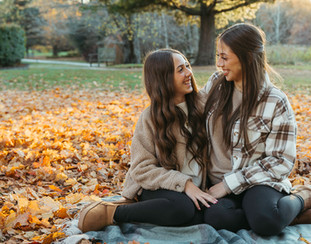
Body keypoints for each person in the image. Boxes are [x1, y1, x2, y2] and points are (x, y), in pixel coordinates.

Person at [201, 23, 311, 236]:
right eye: (218, 56)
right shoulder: (216, 84)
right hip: (217, 181)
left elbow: (281, 161)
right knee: (216, 218)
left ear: (247, 57)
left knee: (266, 222)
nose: (219, 64)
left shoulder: (275, 101)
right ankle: (297, 217)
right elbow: (190, 117)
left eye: (224, 57)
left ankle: (305, 196)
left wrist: (230, 184)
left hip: (258, 181)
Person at [77, 49, 217, 233]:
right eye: (180, 70)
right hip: (159, 188)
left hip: (198, 189)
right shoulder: (150, 118)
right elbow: (141, 169)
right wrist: (185, 184)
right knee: (183, 208)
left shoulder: (202, 105)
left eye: (187, 66)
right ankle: (114, 213)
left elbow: (223, 79)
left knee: (208, 215)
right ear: (164, 79)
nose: (189, 73)